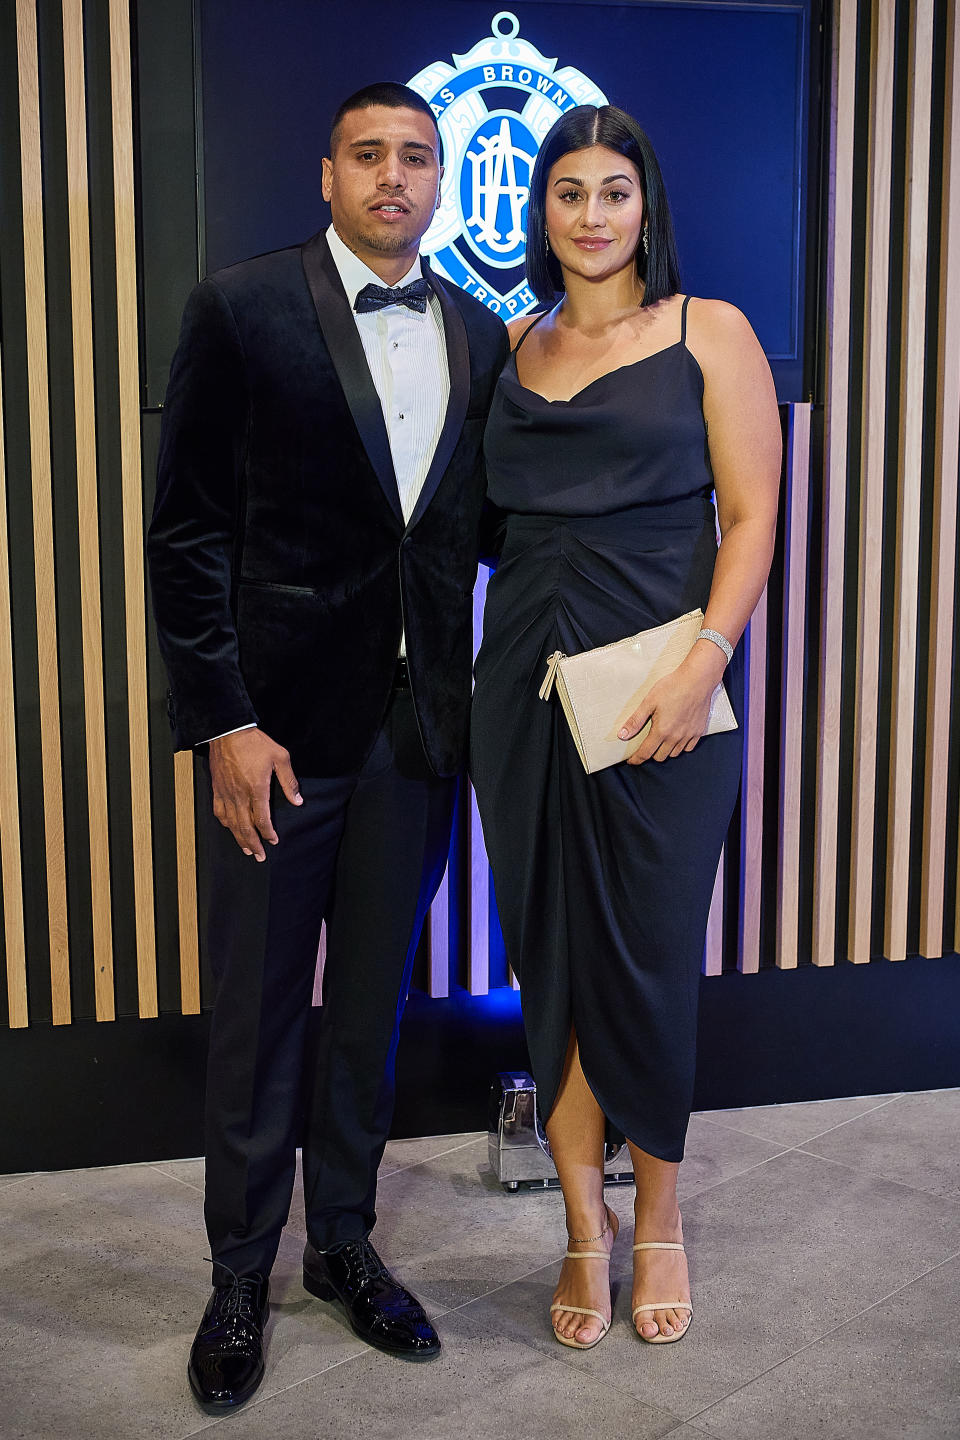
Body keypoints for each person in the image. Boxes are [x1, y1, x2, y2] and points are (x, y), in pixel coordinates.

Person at [148, 82, 508, 1409]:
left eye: (418, 158)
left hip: (417, 737)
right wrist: (224, 722)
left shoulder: (478, 335)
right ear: (326, 174)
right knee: (255, 1019)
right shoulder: (240, 309)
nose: (395, 178)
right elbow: (184, 537)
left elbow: (474, 542)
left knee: (368, 1013)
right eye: (370, 156)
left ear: (440, 181)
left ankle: (341, 1245)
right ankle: (240, 1268)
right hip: (275, 740)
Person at [471, 105, 780, 1350]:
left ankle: (658, 1216)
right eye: (566, 193)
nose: (590, 215)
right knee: (550, 952)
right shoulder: (508, 345)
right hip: (525, 694)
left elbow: (752, 517)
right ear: (537, 213)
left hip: (663, 688)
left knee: (645, 957)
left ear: (646, 203)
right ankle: (581, 1229)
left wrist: (704, 664)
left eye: (613, 190)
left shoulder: (713, 332)